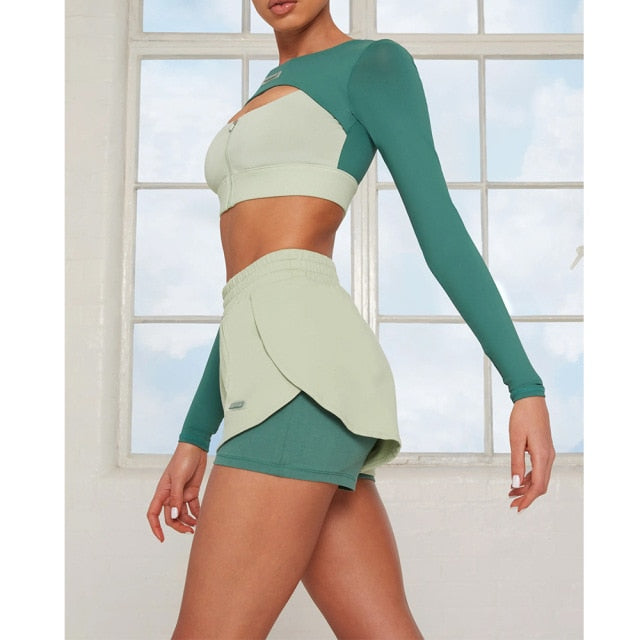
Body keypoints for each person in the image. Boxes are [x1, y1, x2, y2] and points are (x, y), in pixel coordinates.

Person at [147, 1, 556, 638]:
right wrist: (195, 434)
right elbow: (251, 289)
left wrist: (524, 387)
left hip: (299, 384)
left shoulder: (372, 65)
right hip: (277, 377)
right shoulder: (270, 87)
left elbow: (441, 231)